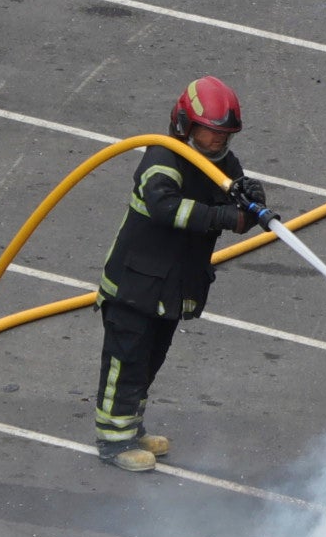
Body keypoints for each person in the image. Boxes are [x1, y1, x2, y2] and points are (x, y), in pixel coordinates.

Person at [92, 78, 267, 472]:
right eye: (210, 131)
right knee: (126, 363)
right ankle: (112, 441)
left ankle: (131, 429)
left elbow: (229, 193)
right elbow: (167, 208)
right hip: (135, 286)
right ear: (186, 124)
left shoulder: (223, 162)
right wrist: (225, 216)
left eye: (225, 134)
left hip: (171, 288)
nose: (217, 141)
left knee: (150, 361)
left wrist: (250, 200)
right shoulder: (163, 159)